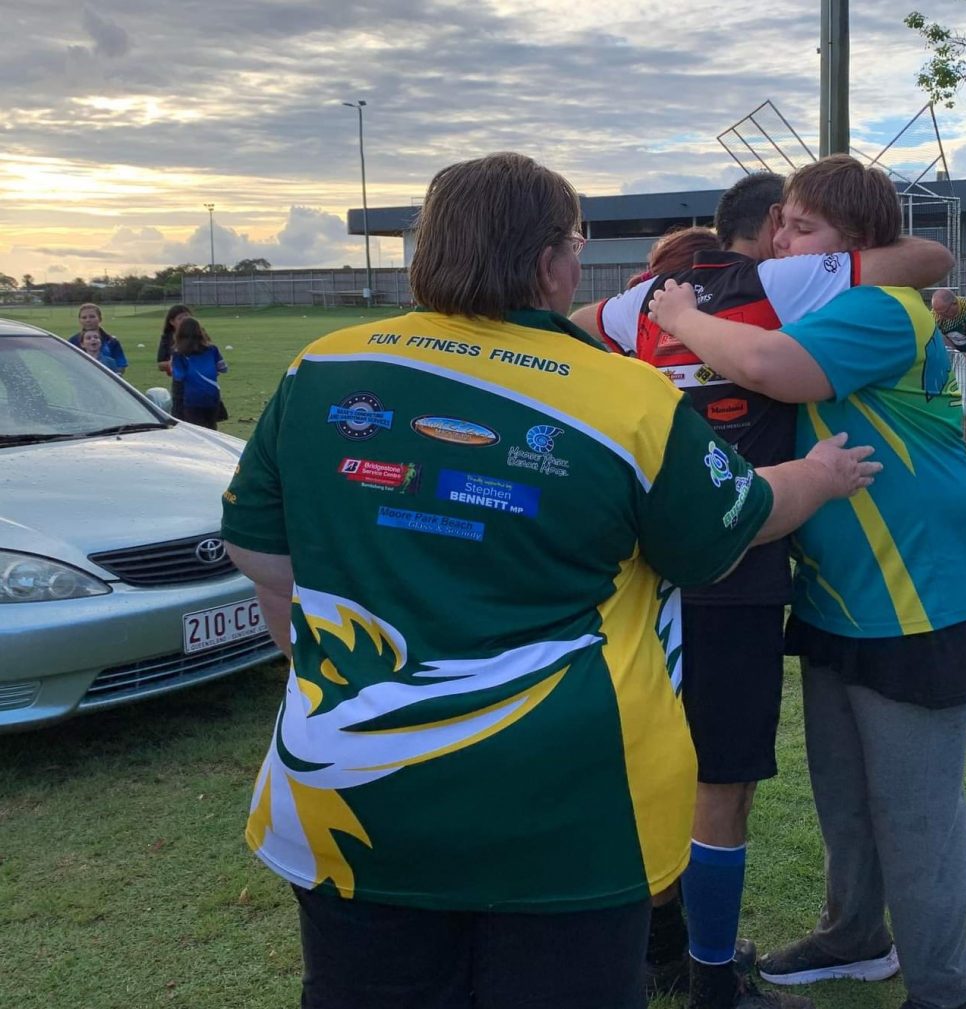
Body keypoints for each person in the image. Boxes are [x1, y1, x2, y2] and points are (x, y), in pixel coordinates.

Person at [219, 151, 881, 1009]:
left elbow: (265, 559)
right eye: (574, 241)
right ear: (547, 261)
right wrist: (822, 473)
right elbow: (736, 518)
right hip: (574, 812)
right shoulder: (626, 398)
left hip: (350, 791)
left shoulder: (321, 371)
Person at [572, 172, 954, 1009]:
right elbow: (926, 255)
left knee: (648, 758)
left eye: (803, 231)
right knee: (722, 781)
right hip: (739, 567)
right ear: (766, 230)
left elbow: (563, 334)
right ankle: (712, 976)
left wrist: (649, 341)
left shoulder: (643, 299)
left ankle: (660, 947)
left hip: (648, 571)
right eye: (787, 228)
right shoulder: (777, 283)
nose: (789, 244)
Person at [171, 317, 227, 429]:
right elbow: (223, 368)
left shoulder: (179, 354)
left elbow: (178, 377)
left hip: (192, 399)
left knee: (196, 430)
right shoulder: (212, 350)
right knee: (211, 429)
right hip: (212, 396)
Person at [68, 303, 128, 374]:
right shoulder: (72, 342)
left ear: (100, 319)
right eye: (84, 317)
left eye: (92, 317)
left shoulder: (111, 341)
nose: (88, 320)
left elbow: (121, 365)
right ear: (79, 320)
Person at [157, 303, 192, 418]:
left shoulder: (199, 337)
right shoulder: (167, 339)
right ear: (172, 322)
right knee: (180, 418)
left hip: (200, 387)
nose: (185, 320)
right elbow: (161, 364)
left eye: (187, 316)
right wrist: (174, 364)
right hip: (180, 387)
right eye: (181, 318)